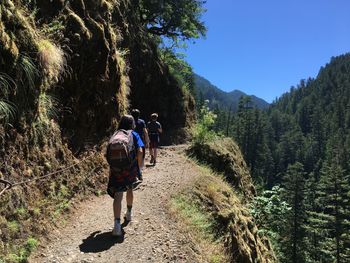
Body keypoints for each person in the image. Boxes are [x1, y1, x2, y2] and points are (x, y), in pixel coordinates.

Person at [106, 115, 144, 237]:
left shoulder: (115, 134)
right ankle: (128, 213)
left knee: (118, 194)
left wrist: (112, 169)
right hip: (129, 168)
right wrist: (139, 166)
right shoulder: (133, 134)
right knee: (129, 189)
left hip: (116, 168)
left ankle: (116, 225)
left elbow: (108, 154)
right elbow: (140, 151)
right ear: (132, 124)